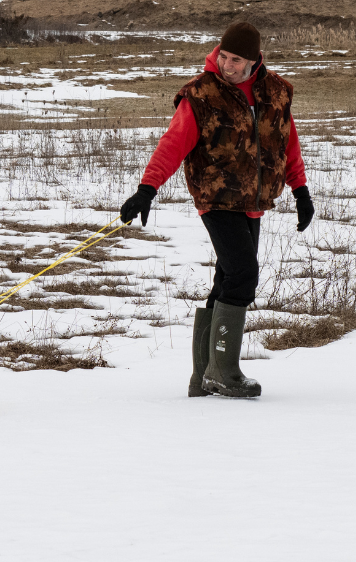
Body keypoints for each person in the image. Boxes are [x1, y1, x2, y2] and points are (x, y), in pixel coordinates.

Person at [119, 21, 312, 398]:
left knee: (226, 281)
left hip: (253, 203)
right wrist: (147, 189)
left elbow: (287, 145)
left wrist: (300, 191)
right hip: (217, 199)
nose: (226, 64)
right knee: (243, 275)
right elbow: (172, 144)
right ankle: (224, 372)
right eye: (223, 56)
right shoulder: (201, 95)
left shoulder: (276, 94)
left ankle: (202, 376)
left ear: (254, 59)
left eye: (236, 59)